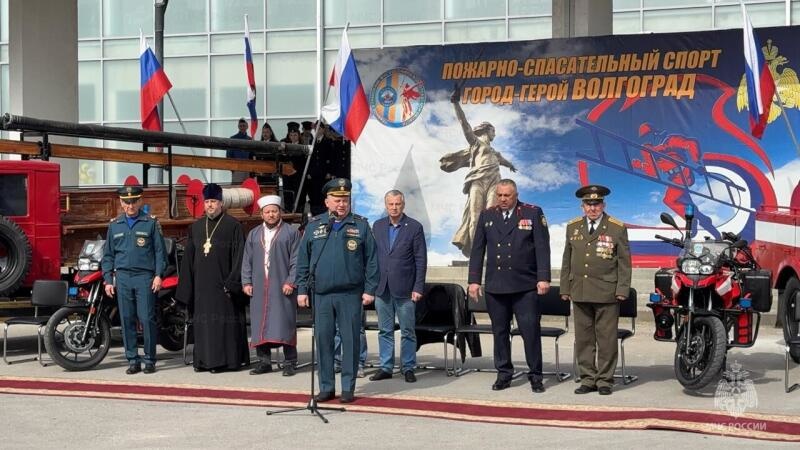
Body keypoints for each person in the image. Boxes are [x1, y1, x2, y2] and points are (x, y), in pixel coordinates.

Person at [295, 178, 379, 403]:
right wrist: (301, 289)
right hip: (321, 294)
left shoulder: (360, 225)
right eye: (337, 200)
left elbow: (372, 260)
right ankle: (326, 387)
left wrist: (370, 289)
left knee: (350, 341)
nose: (342, 204)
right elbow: (303, 260)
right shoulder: (314, 226)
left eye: (345, 200)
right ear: (327, 202)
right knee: (323, 341)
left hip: (350, 294)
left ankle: (348, 387)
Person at [467, 179, 550, 394]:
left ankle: (536, 376)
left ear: (516, 195)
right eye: (500, 195)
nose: (503, 199)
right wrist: (474, 280)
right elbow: (478, 250)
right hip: (496, 286)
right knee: (500, 332)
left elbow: (542, 247)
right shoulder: (487, 215)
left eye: (507, 195)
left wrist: (543, 277)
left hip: (525, 286)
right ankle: (504, 374)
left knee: (530, 332)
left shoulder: (532, 213)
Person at [560, 184, 632, 396]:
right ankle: (588, 379)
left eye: (596, 204)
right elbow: (567, 259)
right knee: (584, 339)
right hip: (580, 290)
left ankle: (605, 380)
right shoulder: (573, 227)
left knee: (606, 339)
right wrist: (565, 287)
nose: (592, 208)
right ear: (582, 206)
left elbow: (624, 262)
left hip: (606, 291)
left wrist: (622, 289)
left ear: (603, 205)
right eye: (588, 204)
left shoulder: (616, 227)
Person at [176, 183, 249, 373]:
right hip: (201, 288)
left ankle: (224, 362)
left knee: (223, 326)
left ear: (221, 203)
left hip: (224, 288)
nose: (210, 205)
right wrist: (187, 290)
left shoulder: (233, 226)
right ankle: (203, 361)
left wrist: (232, 283)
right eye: (207, 201)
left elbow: (240, 257)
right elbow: (188, 261)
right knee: (204, 326)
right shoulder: (196, 227)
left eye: (214, 201)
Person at [440, 88, 517, 258]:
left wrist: (510, 165)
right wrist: (456, 103)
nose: (495, 134)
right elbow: (464, 124)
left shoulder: (495, 152)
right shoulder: (476, 143)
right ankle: (477, 252)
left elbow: (503, 161)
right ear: (487, 130)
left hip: (494, 182)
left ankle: (490, 251)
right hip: (477, 181)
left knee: (491, 216)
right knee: (475, 217)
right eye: (493, 130)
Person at [101, 186, 167, 375]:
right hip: (122, 278)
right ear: (121, 203)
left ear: (140, 201)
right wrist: (108, 279)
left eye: (133, 202)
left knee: (146, 319)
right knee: (127, 319)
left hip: (144, 277)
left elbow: (160, 252)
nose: (130, 206)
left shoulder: (150, 223)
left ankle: (150, 359)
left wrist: (158, 275)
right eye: (126, 202)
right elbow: (108, 256)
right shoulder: (115, 225)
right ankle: (132, 360)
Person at [369, 190, 427, 383]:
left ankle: (408, 367)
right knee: (384, 330)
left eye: (397, 204)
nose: (394, 208)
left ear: (403, 205)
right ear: (386, 205)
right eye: (391, 204)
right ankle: (386, 367)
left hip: (405, 289)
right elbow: (372, 257)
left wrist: (418, 287)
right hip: (382, 288)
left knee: (407, 331)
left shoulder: (414, 227)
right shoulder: (377, 226)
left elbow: (421, 260)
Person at [242, 195, 301, 376]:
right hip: (259, 285)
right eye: (267, 212)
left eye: (274, 211)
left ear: (280, 212)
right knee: (260, 323)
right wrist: (246, 281)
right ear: (262, 214)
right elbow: (247, 260)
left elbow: (297, 260)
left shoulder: (291, 233)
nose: (271, 215)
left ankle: (290, 362)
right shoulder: (254, 234)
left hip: (282, 285)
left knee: (285, 322)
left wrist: (291, 281)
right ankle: (264, 362)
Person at [228, 118, 253, 183]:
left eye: (243, 126)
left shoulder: (250, 140)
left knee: (247, 187)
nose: (242, 127)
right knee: (237, 187)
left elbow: (252, 155)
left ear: (247, 126)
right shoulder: (233, 139)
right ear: (238, 127)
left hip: (247, 168)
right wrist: (232, 168)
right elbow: (229, 155)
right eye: (240, 126)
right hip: (237, 168)